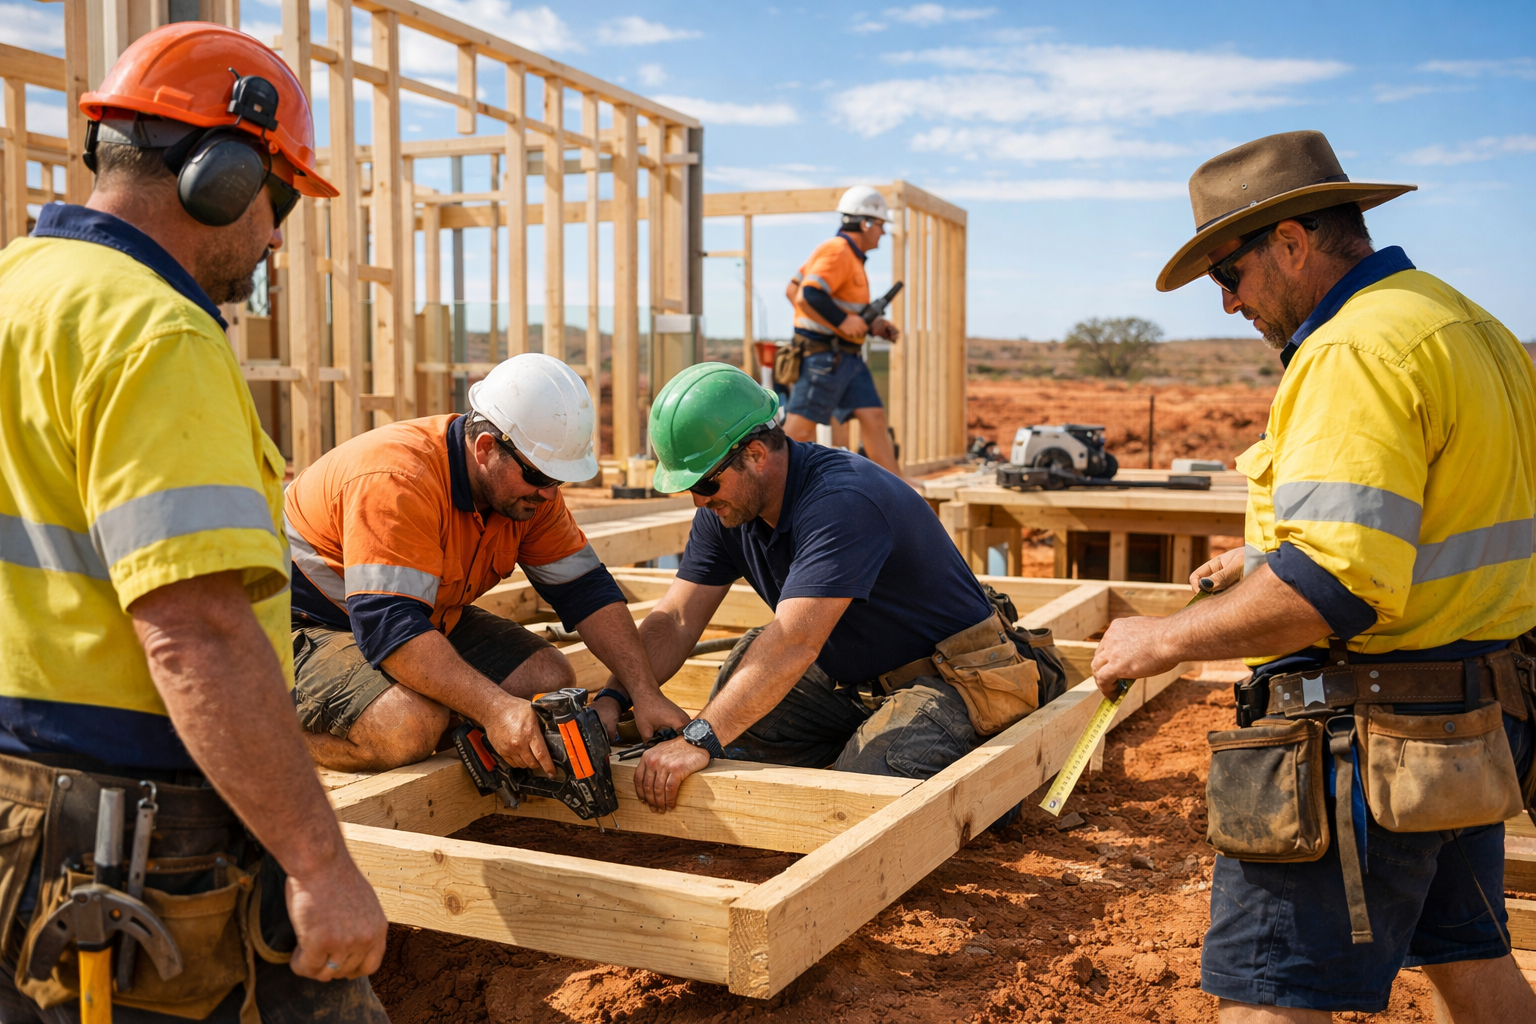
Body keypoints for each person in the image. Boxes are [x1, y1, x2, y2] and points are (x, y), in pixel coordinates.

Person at [1092, 130, 1536, 1022]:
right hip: (1470, 726)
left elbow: (1331, 589)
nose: (1227, 305)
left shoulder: (1350, 353)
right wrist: (1265, 561)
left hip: (1364, 747)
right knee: (1473, 958)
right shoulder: (1466, 325)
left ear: (1292, 243)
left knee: (1271, 998)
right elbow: (1431, 519)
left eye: (1230, 275)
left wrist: (1160, 639)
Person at [0, 23, 389, 1022]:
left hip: (18, 817)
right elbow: (198, 631)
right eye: (281, 198)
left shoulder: (16, 291)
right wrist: (318, 861)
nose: (274, 235)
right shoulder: (155, 330)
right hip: (141, 844)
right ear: (220, 172)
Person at [618, 363, 1064, 811]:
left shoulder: (842, 500)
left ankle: (994, 789)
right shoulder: (728, 509)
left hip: (952, 678)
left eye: (705, 482)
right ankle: (852, 741)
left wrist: (698, 736)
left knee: (866, 797)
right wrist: (617, 698)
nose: (699, 500)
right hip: (854, 679)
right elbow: (676, 619)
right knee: (742, 711)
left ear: (755, 454)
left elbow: (795, 641)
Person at [284, 353, 690, 772]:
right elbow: (390, 628)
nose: (550, 494)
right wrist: (494, 709)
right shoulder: (398, 480)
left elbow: (586, 591)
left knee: (548, 677)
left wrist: (644, 694)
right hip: (307, 625)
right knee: (409, 725)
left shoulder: (529, 493)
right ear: (484, 448)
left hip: (412, 619)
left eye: (558, 480)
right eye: (538, 476)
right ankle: (272, 729)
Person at [780, 185, 904, 477]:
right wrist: (841, 323)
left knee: (873, 417)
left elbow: (792, 289)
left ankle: (897, 485)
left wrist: (867, 324)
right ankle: (773, 492)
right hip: (825, 358)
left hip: (846, 357)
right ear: (866, 223)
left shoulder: (849, 256)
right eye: (881, 226)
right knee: (799, 429)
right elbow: (808, 295)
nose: (883, 233)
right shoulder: (837, 251)